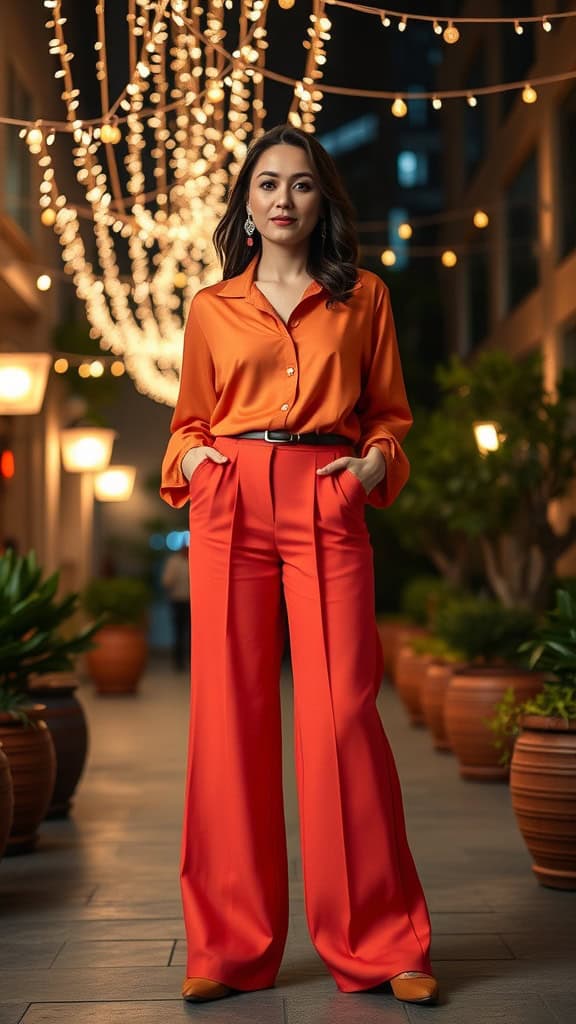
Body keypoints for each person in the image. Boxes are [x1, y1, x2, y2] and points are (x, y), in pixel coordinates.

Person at [160, 124, 438, 1007]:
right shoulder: (211, 307)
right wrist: (198, 463)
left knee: (344, 716)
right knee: (227, 720)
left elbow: (390, 417)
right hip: (231, 497)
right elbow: (187, 425)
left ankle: (382, 942)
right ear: (247, 200)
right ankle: (229, 946)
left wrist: (370, 468)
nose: (284, 199)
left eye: (303, 185)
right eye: (268, 183)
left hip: (327, 491)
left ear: (325, 203)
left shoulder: (367, 300)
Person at [161, 544, 191, 671]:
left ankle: (192, 661)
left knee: (192, 633)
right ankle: (178, 662)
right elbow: (166, 581)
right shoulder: (173, 562)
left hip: (192, 603)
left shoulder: (193, 560)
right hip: (178, 601)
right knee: (179, 633)